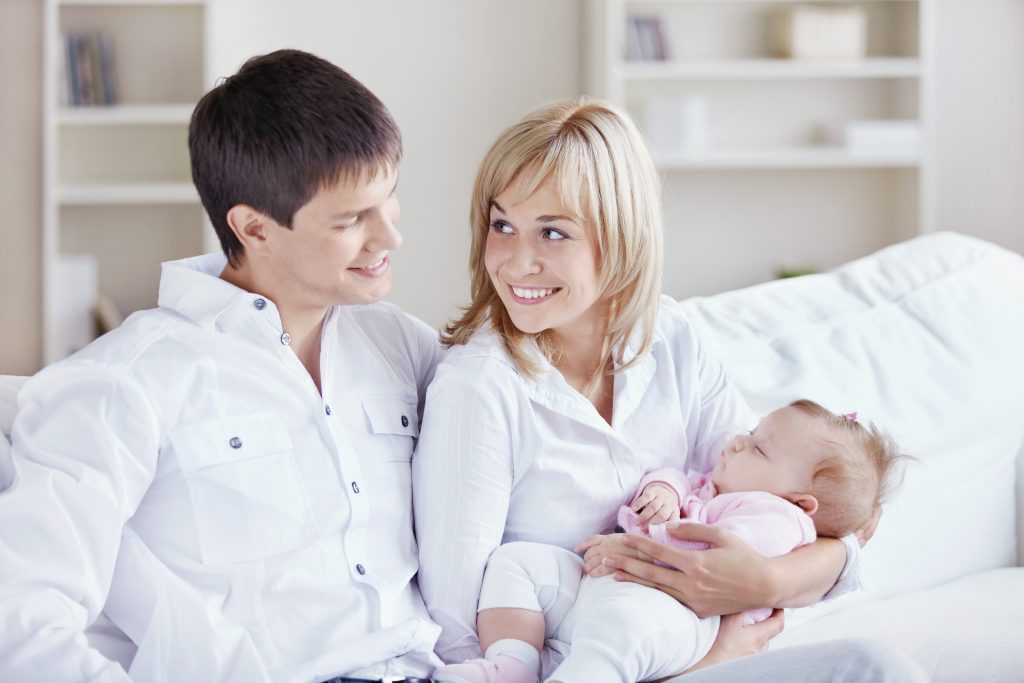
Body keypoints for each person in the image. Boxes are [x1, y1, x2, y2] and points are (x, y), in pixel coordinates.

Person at [412, 97, 927, 683]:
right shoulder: (477, 387)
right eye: (502, 225)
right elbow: (455, 632)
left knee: (879, 668)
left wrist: (763, 583)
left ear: (623, 236)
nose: (515, 261)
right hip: (589, 668)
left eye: (553, 232)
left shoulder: (670, 337)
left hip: (692, 642)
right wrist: (712, 656)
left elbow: (810, 519)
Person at [0, 49, 443, 682]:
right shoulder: (126, 382)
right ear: (254, 228)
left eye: (388, 199)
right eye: (351, 220)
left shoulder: (401, 345)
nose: (390, 237)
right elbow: (20, 619)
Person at [435, 400, 908, 683]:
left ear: (800, 502)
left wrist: (637, 545)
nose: (738, 442)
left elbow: (713, 557)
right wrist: (663, 490)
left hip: (676, 616)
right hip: (605, 583)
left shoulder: (778, 521)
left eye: (759, 448)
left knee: (617, 634)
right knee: (517, 563)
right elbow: (680, 482)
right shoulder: (717, 487)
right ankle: (512, 664)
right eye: (748, 433)